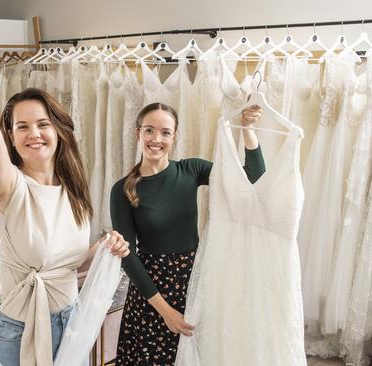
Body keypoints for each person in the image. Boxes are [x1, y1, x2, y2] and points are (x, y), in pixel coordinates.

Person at [0, 19, 130, 366]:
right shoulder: (8, 186)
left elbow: (67, 263)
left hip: (68, 320)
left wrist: (104, 249)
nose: (35, 133)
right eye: (22, 127)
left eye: (43, 124)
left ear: (58, 130)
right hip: (17, 329)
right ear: (11, 137)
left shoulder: (72, 188)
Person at [110, 102, 264, 365]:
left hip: (193, 283)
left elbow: (253, 177)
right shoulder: (122, 189)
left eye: (165, 132)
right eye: (149, 130)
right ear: (138, 134)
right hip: (150, 293)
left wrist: (248, 129)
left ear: (175, 136)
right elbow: (128, 257)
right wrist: (166, 312)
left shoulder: (191, 170)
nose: (156, 139)